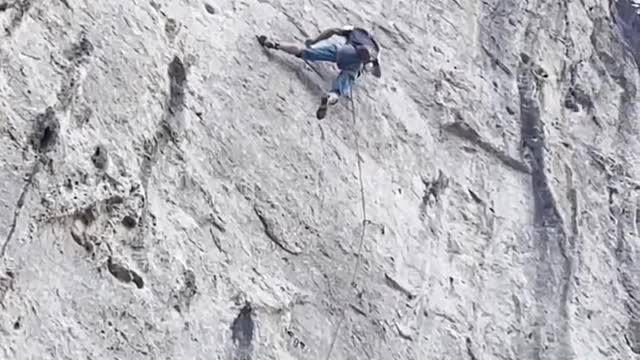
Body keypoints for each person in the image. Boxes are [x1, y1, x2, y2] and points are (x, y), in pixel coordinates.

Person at [257, 26, 382, 119]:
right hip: (356, 65)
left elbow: (332, 31)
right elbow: (377, 74)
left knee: (303, 51)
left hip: (345, 50)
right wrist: (374, 62)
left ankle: (276, 45)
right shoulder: (376, 50)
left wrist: (315, 41)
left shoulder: (355, 30)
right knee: (338, 90)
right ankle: (329, 97)